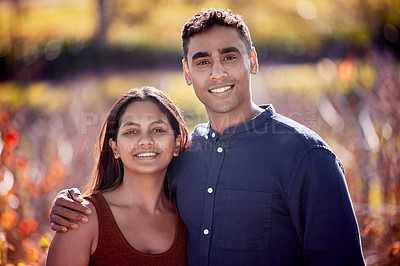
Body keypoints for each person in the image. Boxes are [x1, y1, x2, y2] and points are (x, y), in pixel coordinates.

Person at [49, 9, 365, 265]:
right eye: (203, 61)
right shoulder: (182, 153)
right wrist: (70, 201)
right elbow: (133, 186)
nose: (217, 73)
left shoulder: (307, 157)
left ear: (252, 61)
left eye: (229, 57)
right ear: (188, 72)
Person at [46, 86, 189, 265]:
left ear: (176, 143)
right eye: (131, 131)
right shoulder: (81, 219)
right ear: (114, 147)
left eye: (158, 130)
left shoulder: (189, 217)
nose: (145, 141)